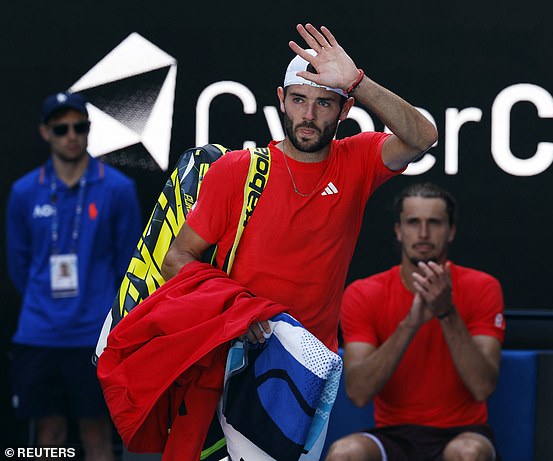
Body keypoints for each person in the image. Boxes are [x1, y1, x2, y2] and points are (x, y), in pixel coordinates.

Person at [162, 23, 438, 355]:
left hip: (311, 365)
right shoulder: (238, 169)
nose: (308, 115)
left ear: (345, 110)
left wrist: (357, 83)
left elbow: (423, 138)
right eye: (298, 99)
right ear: (282, 100)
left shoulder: (357, 160)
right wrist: (234, 308)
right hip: (233, 353)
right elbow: (176, 258)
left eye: (324, 103)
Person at [6, 91, 142, 460]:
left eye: (79, 127)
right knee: (48, 431)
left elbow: (128, 263)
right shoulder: (23, 192)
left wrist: (104, 313)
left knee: (96, 430)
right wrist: (43, 301)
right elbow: (18, 264)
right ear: (45, 132)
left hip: (93, 334)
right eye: (61, 128)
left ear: (88, 130)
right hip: (39, 333)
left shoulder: (117, 189)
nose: (71, 135)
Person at [326, 182, 506, 461]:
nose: (423, 233)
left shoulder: (483, 287)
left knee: (467, 453)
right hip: (394, 434)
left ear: (451, 231)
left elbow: (482, 387)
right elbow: (358, 393)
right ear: (399, 231)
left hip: (463, 432)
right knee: (345, 454)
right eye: (413, 223)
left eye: (434, 223)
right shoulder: (364, 293)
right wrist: (410, 323)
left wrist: (446, 312)